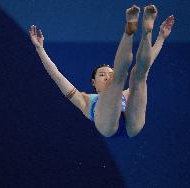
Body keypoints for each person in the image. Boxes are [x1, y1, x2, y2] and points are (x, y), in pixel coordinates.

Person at [29, 5, 175, 138]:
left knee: (139, 75)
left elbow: (146, 65)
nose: (106, 76)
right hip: (108, 126)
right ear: (94, 82)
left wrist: (160, 38)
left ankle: (146, 32)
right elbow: (57, 76)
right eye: (102, 74)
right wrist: (40, 49)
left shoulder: (126, 93)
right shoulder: (85, 100)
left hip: (132, 123)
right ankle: (129, 31)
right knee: (120, 77)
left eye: (109, 74)